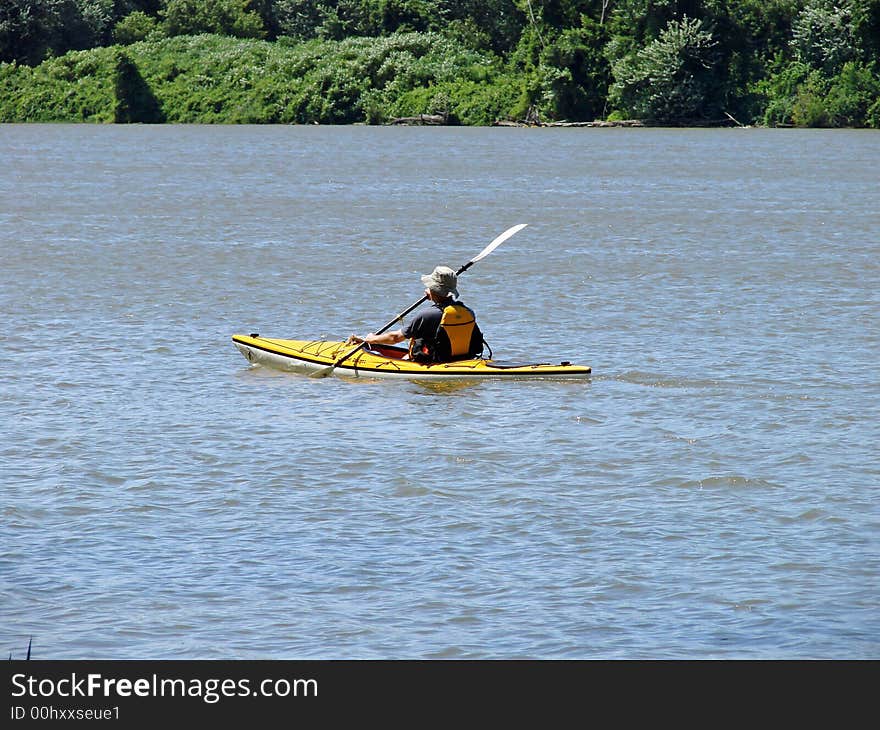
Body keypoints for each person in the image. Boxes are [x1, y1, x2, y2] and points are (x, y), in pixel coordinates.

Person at [347, 265, 484, 362]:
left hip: (436, 361)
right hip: (463, 359)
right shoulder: (467, 311)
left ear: (432, 289)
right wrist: (434, 295)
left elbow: (396, 338)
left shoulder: (427, 315)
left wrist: (369, 339)